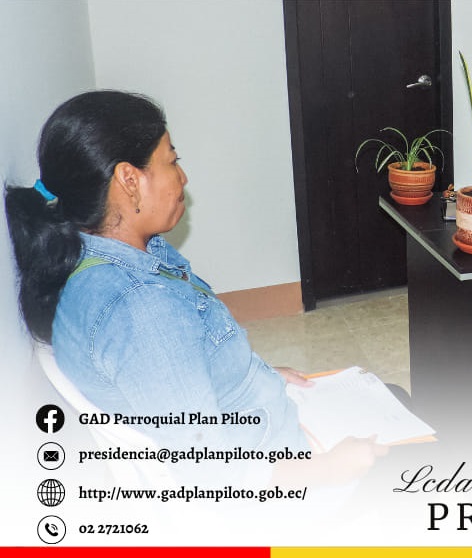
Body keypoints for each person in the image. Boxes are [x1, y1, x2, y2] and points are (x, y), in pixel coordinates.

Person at [5, 90, 385, 486]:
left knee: (381, 400)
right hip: (278, 478)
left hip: (266, 429)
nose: (183, 178)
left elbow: (171, 375)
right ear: (129, 180)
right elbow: (213, 475)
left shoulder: (102, 258)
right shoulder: (141, 310)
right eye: (172, 161)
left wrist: (253, 375)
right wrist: (334, 467)